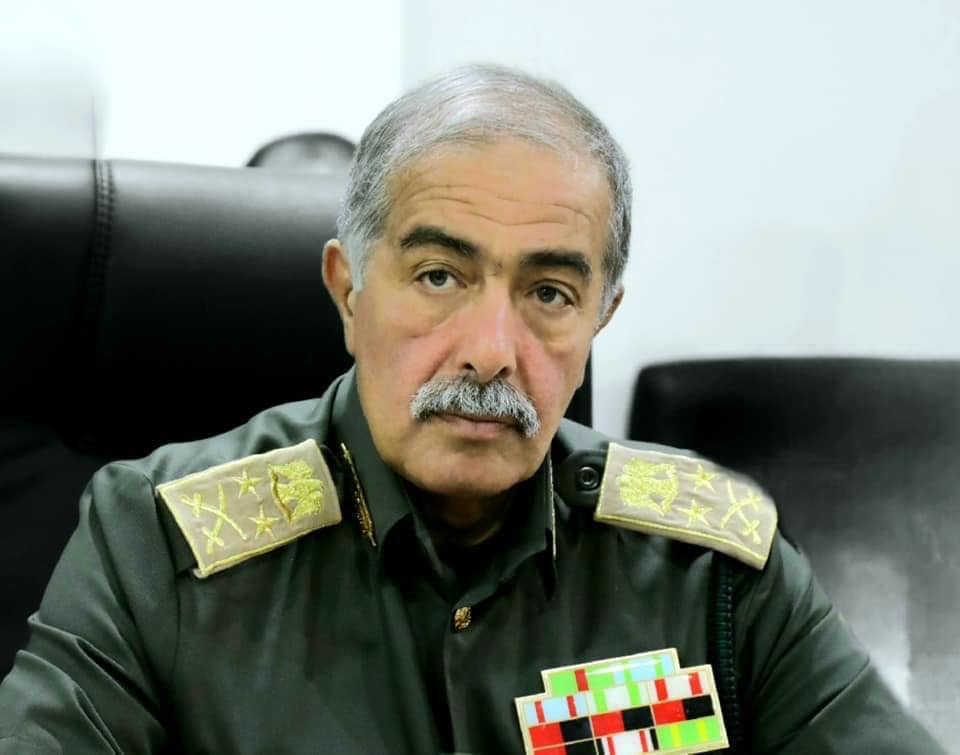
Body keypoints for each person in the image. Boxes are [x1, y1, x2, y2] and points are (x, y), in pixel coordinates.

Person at [0, 65, 944, 755]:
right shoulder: (157, 545)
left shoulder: (712, 570)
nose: (493, 349)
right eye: (439, 276)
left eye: (550, 293)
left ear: (600, 319)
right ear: (347, 291)